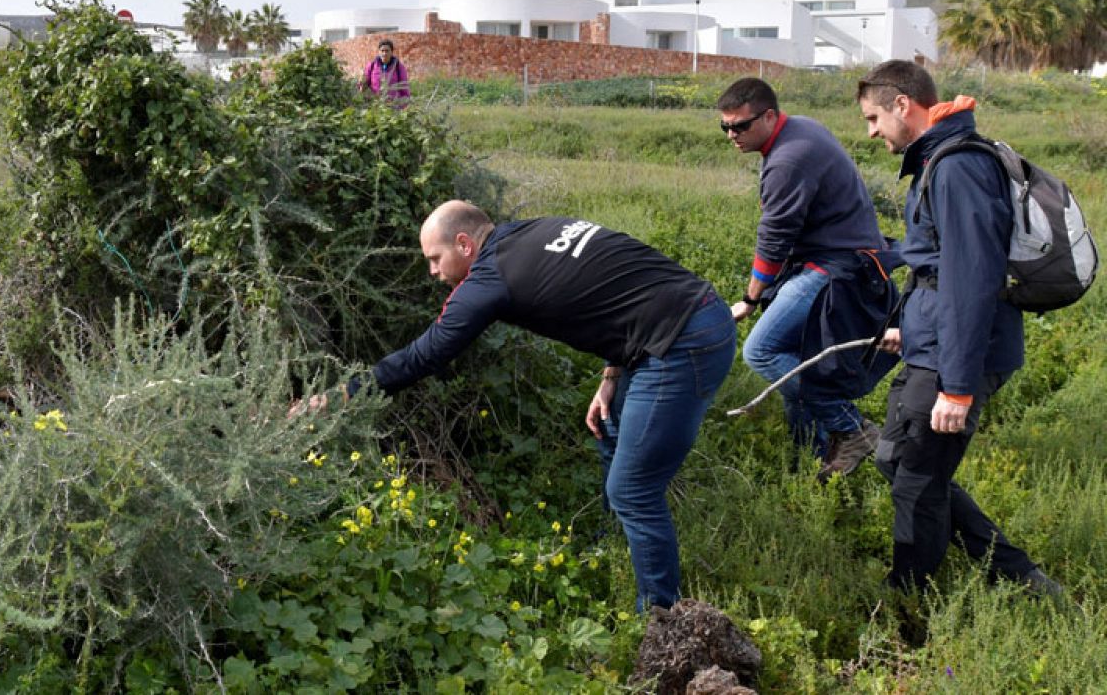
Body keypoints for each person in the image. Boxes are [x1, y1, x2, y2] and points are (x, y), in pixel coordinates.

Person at [299, 200, 735, 610]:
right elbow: (618, 290)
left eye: (435, 259)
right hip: (693, 313)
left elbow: (422, 357)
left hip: (681, 345)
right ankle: (616, 545)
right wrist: (612, 374)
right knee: (610, 423)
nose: (433, 272)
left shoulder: (488, 281)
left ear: (465, 245)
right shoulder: (536, 230)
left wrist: (337, 397)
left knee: (633, 490)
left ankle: (663, 620)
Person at [856, 60, 1060, 596]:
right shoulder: (937, 161)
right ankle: (1017, 573)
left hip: (959, 355)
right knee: (895, 460)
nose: (872, 132)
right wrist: (906, 324)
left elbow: (972, 279)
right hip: (933, 343)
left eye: (874, 118)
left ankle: (911, 603)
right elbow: (935, 266)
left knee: (917, 482)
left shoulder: (957, 167)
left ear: (903, 104)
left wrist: (958, 387)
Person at [717, 77, 898, 479]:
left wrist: (750, 299)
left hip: (838, 267)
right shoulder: (800, 127)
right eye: (725, 127)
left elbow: (774, 238)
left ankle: (852, 429)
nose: (732, 135)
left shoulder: (789, 159)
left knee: (761, 351)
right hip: (841, 256)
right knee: (795, 360)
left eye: (741, 126)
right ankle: (813, 463)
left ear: (769, 116)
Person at [358, 39, 410, 106]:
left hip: (393, 106)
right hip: (374, 104)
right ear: (379, 52)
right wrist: (361, 83)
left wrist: (403, 104)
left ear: (391, 52)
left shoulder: (398, 67)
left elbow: (404, 88)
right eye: (382, 51)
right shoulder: (372, 65)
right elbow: (363, 86)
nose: (384, 53)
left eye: (387, 51)